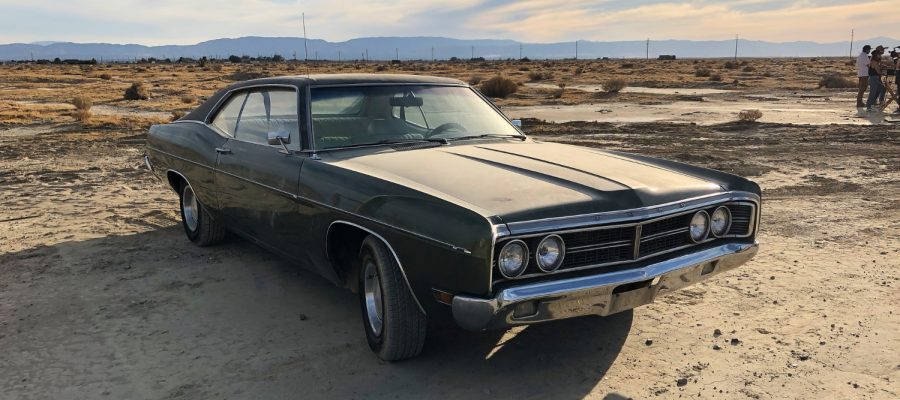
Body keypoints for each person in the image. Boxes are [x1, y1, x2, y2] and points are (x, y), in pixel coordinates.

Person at [866, 46, 886, 112]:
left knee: (881, 89)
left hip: (874, 78)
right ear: (876, 55)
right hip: (874, 78)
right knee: (873, 92)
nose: (879, 56)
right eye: (878, 55)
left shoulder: (873, 61)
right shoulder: (874, 62)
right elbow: (878, 71)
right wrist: (883, 73)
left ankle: (873, 103)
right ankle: (869, 106)